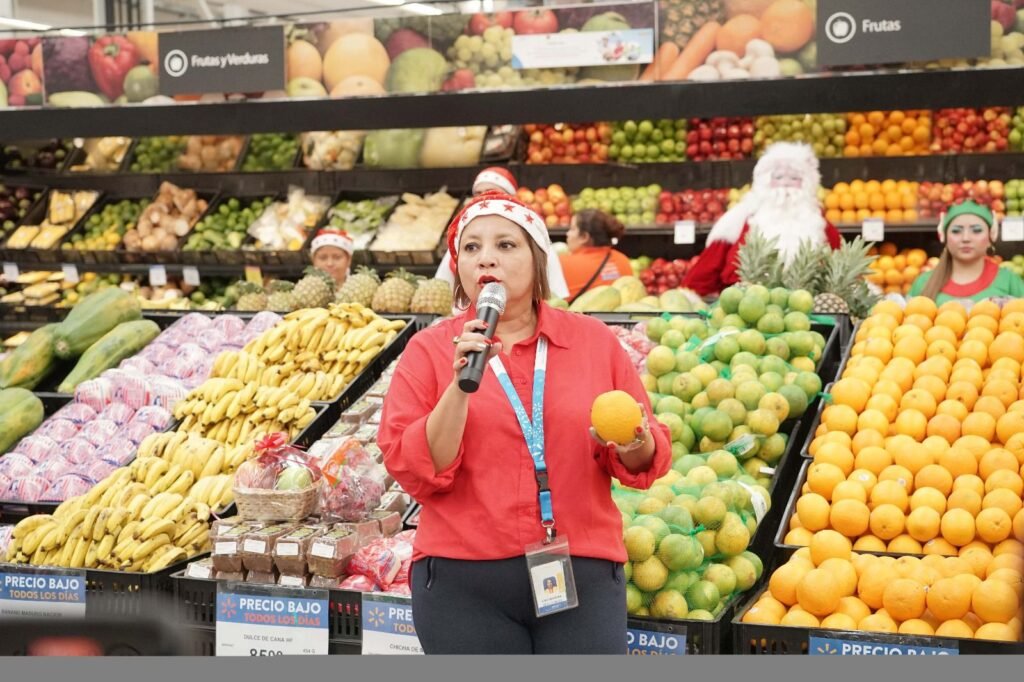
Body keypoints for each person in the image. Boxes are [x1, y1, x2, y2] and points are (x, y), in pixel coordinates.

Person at [378, 194, 671, 655]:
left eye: (506, 245)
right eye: (470, 248)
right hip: (462, 582)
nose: (486, 258)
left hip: (580, 570)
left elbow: (646, 459)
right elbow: (418, 469)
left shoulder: (593, 342)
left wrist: (634, 443)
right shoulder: (431, 351)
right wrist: (458, 387)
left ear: (537, 261)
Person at [683, 142, 842, 296]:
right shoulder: (740, 220)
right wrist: (690, 298)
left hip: (809, 307)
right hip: (746, 305)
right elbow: (706, 270)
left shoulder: (818, 224)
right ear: (764, 181)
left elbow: (842, 267)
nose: (785, 183)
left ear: (808, 184)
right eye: (778, 177)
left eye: (794, 178)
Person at [435, 167, 569, 299]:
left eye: (506, 245)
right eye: (472, 247)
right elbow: (441, 291)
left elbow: (557, 297)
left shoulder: (537, 241)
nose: (484, 198)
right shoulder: (461, 243)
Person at [908, 199, 1024, 304]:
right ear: (944, 236)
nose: (966, 238)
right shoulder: (923, 283)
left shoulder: (1009, 281)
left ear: (990, 236)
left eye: (977, 230)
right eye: (956, 231)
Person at [558, 209, 633, 302]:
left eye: (572, 229)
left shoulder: (562, 264)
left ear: (584, 237)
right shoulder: (623, 260)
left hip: (578, 316)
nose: (567, 234)